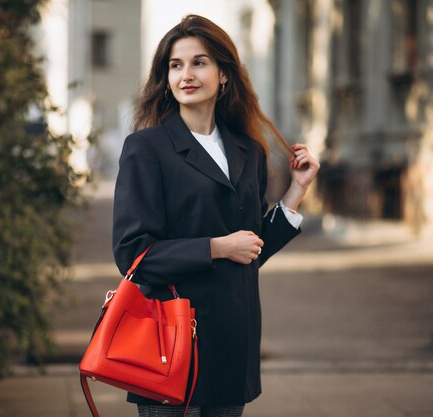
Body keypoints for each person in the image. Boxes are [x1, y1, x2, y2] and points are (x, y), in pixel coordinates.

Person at [112, 14, 320, 417]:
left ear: (224, 74)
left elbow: (250, 249)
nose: (186, 74)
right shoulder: (146, 149)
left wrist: (296, 191)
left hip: (231, 342)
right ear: (166, 77)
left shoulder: (248, 150)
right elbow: (133, 255)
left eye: (199, 62)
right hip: (170, 343)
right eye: (175, 65)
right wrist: (217, 247)